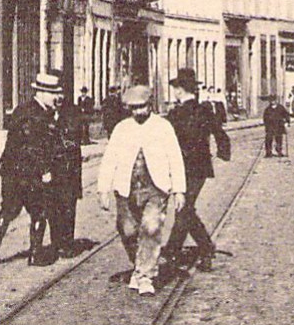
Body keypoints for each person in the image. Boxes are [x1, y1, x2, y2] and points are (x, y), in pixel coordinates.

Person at [97, 85, 186, 297]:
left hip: (155, 187)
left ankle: (145, 275)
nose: (138, 112)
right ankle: (140, 266)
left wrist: (179, 189)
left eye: (142, 107)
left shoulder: (163, 127)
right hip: (126, 188)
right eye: (133, 108)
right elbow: (110, 159)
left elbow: (175, 157)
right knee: (127, 230)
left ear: (150, 104)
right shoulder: (122, 128)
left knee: (152, 227)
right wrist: (103, 188)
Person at [0, 72, 64, 267]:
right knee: (39, 211)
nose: (57, 98)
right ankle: (35, 255)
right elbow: (31, 147)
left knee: (8, 210)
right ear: (42, 93)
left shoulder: (24, 110)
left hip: (11, 171)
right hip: (29, 173)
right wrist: (45, 170)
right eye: (54, 93)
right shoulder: (35, 114)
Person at [160, 68, 231, 271]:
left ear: (180, 90)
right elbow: (219, 132)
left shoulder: (175, 114)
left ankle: (198, 248)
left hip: (182, 168)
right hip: (200, 167)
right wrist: (223, 151)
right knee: (186, 208)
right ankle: (186, 247)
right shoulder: (205, 110)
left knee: (185, 209)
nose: (174, 92)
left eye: (175, 88)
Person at [51, 79, 87, 257]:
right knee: (52, 206)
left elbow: (73, 139)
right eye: (54, 93)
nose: (57, 97)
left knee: (67, 205)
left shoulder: (72, 111)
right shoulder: (46, 112)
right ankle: (55, 242)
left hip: (68, 168)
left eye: (60, 93)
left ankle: (66, 243)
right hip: (51, 169)